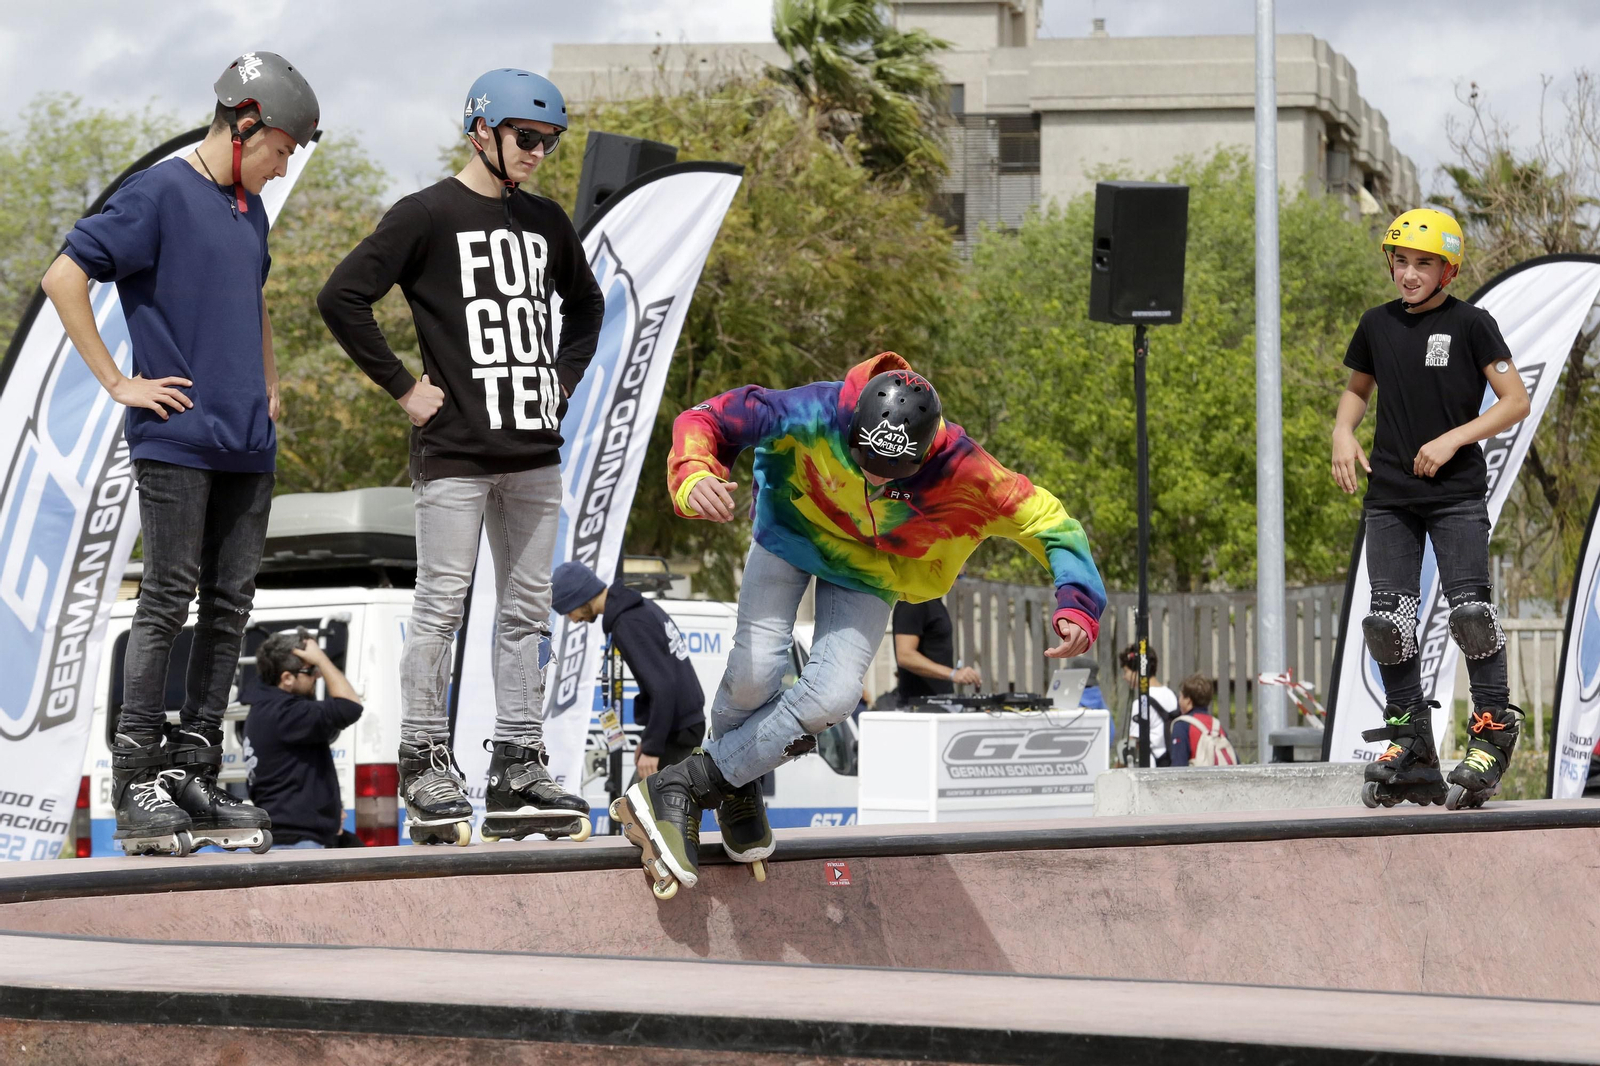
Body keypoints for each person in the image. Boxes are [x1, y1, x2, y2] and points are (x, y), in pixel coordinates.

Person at [613, 353, 1105, 896]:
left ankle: (693, 782)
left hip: (870, 568)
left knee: (834, 695)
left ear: (926, 451)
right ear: (852, 425)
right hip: (790, 534)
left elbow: (1051, 522)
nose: (872, 478)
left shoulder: (966, 466)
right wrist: (694, 471)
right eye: (862, 460)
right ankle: (736, 781)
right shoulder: (815, 409)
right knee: (756, 669)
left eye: (890, 475)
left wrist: (1077, 601)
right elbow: (710, 417)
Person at [40, 52, 318, 857]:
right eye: (279, 152)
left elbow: (253, 297)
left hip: (246, 444)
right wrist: (118, 381)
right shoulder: (158, 192)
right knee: (168, 595)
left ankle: (194, 765)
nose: (278, 169)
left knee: (230, 606)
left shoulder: (248, 210)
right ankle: (137, 775)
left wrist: (267, 385)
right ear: (245, 123)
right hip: (178, 436)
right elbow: (65, 277)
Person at [318, 68, 604, 845]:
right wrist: (405, 389)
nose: (540, 153)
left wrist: (563, 381)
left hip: (534, 453)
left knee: (523, 615)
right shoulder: (426, 214)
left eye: (550, 141)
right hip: (453, 453)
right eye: (528, 138)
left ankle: (517, 762)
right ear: (482, 131)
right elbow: (341, 296)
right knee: (441, 607)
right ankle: (423, 755)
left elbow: (588, 305)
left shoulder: (546, 222)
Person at [1331, 208, 1531, 809]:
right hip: (1390, 494)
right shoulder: (1376, 324)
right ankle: (1411, 741)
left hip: (1455, 495)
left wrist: (1454, 439)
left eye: (1423, 264)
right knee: (1386, 624)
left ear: (1448, 269)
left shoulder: (1472, 323)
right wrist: (1344, 432)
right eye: (1401, 261)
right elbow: (1355, 390)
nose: (1409, 274)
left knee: (1470, 614)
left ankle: (1492, 731)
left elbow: (1514, 401)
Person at [552, 561, 706, 784]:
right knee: (642, 810)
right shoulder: (639, 609)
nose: (573, 619)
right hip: (681, 727)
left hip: (678, 731)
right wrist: (649, 739)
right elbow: (664, 677)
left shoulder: (628, 622)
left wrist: (652, 747)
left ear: (579, 597)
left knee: (638, 811)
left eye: (568, 610)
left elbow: (663, 686)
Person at [245, 630, 364, 849]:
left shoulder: (265, 707)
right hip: (297, 842)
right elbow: (350, 706)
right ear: (287, 678)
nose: (318, 675)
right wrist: (321, 659)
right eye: (310, 670)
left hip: (289, 838)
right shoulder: (286, 714)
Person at [892, 596, 980, 705]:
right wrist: (953, 674)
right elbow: (905, 655)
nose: (956, 579)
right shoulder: (913, 601)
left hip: (940, 704)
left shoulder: (935, 602)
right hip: (919, 708)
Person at [1120, 644, 1178, 767]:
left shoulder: (1142, 702)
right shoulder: (1171, 695)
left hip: (1150, 767)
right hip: (1170, 764)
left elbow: (1132, 744)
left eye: (1126, 671)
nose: (1124, 677)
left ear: (1137, 669)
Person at [1169, 674, 1236, 767]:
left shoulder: (1182, 725)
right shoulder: (1217, 726)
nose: (1179, 701)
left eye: (1181, 696)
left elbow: (1178, 765)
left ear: (1188, 700)